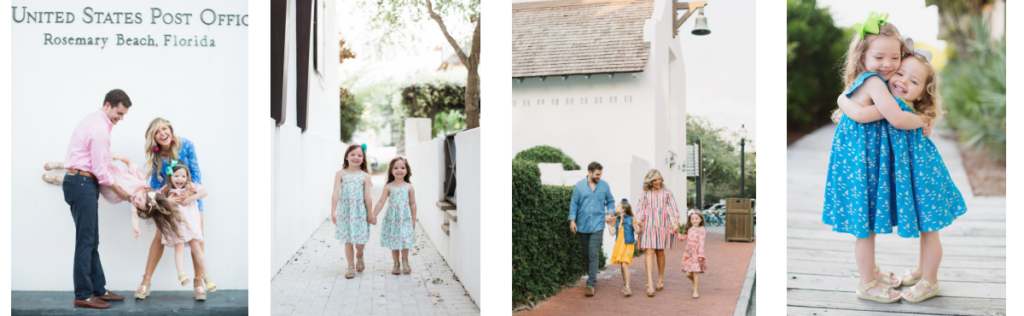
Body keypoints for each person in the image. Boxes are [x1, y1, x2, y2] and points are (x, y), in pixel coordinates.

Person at [838, 47, 967, 303]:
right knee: (925, 226)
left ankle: (930, 281)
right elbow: (869, 113)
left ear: (923, 93)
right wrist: (842, 99)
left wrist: (921, 119)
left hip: (925, 175)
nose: (903, 81)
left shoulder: (906, 109)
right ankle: (921, 271)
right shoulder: (892, 103)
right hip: (910, 174)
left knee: (929, 228)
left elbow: (890, 118)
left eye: (914, 81)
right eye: (900, 73)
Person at [62, 89, 132, 309]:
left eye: (123, 115)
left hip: (81, 183)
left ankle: (98, 290)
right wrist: (121, 192)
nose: (120, 118)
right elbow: (101, 169)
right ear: (108, 104)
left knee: (91, 240)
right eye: (119, 113)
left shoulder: (95, 121)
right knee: (86, 240)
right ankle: (83, 294)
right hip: (82, 183)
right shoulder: (100, 128)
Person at [136, 117, 208, 300]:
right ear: (154, 137)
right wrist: (165, 200)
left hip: (191, 198)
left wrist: (189, 197)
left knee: (196, 237)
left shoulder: (187, 145)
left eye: (165, 129)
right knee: (159, 237)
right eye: (157, 132)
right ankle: (146, 280)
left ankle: (198, 282)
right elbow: (154, 182)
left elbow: (196, 174)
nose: (163, 133)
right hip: (167, 200)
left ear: (170, 129)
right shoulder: (155, 154)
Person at [148, 164, 217, 300]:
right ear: (170, 177)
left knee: (196, 248)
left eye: (183, 176)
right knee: (179, 247)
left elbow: (204, 192)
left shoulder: (190, 187)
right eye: (176, 176)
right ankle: (181, 274)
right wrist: (167, 200)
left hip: (190, 224)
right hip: (177, 225)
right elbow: (152, 199)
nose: (180, 179)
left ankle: (207, 277)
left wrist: (191, 198)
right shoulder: (166, 190)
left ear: (187, 177)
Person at [568, 162, 615, 297]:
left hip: (598, 225)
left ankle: (591, 283)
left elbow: (610, 201)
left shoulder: (604, 185)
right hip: (582, 225)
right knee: (586, 254)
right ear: (589, 172)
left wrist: (610, 213)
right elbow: (574, 204)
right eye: (597, 174)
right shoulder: (579, 185)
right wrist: (572, 220)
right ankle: (592, 276)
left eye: (600, 174)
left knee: (593, 252)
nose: (599, 177)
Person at [634, 169, 680, 297]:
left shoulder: (667, 192)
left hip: (663, 224)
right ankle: (649, 283)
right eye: (655, 180)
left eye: (659, 179)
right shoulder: (645, 193)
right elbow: (640, 208)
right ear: (650, 181)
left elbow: (672, 207)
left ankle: (660, 278)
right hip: (648, 224)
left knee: (660, 251)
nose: (658, 181)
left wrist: (675, 222)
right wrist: (639, 219)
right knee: (649, 251)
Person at [370, 156, 418, 275]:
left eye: (402, 167)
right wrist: (374, 214)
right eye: (396, 168)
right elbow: (381, 201)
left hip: (405, 218)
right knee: (395, 241)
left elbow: (413, 204)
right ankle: (396, 263)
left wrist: (413, 219)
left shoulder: (409, 187)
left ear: (407, 170)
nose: (399, 170)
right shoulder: (388, 186)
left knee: (405, 241)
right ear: (391, 170)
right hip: (393, 219)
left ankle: (405, 261)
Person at [333, 144, 373, 279]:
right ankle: (350, 266)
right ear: (347, 157)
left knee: (360, 241)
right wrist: (333, 211)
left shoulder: (365, 176)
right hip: (345, 212)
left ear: (363, 159)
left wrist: (370, 213)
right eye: (353, 154)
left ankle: (360, 255)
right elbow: (336, 192)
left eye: (359, 155)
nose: (356, 157)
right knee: (348, 240)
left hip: (360, 212)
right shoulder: (340, 174)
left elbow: (368, 196)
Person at [608, 199, 639, 296]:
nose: (615, 207)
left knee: (625, 264)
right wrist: (609, 225)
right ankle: (625, 284)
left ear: (623, 210)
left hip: (628, 244)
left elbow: (637, 231)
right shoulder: (617, 220)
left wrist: (641, 226)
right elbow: (613, 233)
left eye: (617, 206)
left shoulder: (631, 219)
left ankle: (628, 288)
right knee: (622, 265)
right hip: (619, 245)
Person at [677, 209, 707, 299]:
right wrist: (675, 232)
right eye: (692, 219)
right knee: (688, 274)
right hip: (688, 254)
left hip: (697, 253)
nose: (694, 220)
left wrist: (701, 255)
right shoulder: (689, 229)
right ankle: (694, 282)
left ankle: (696, 291)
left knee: (695, 272)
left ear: (701, 219)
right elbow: (682, 238)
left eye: (697, 218)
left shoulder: (702, 229)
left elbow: (702, 242)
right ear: (690, 220)